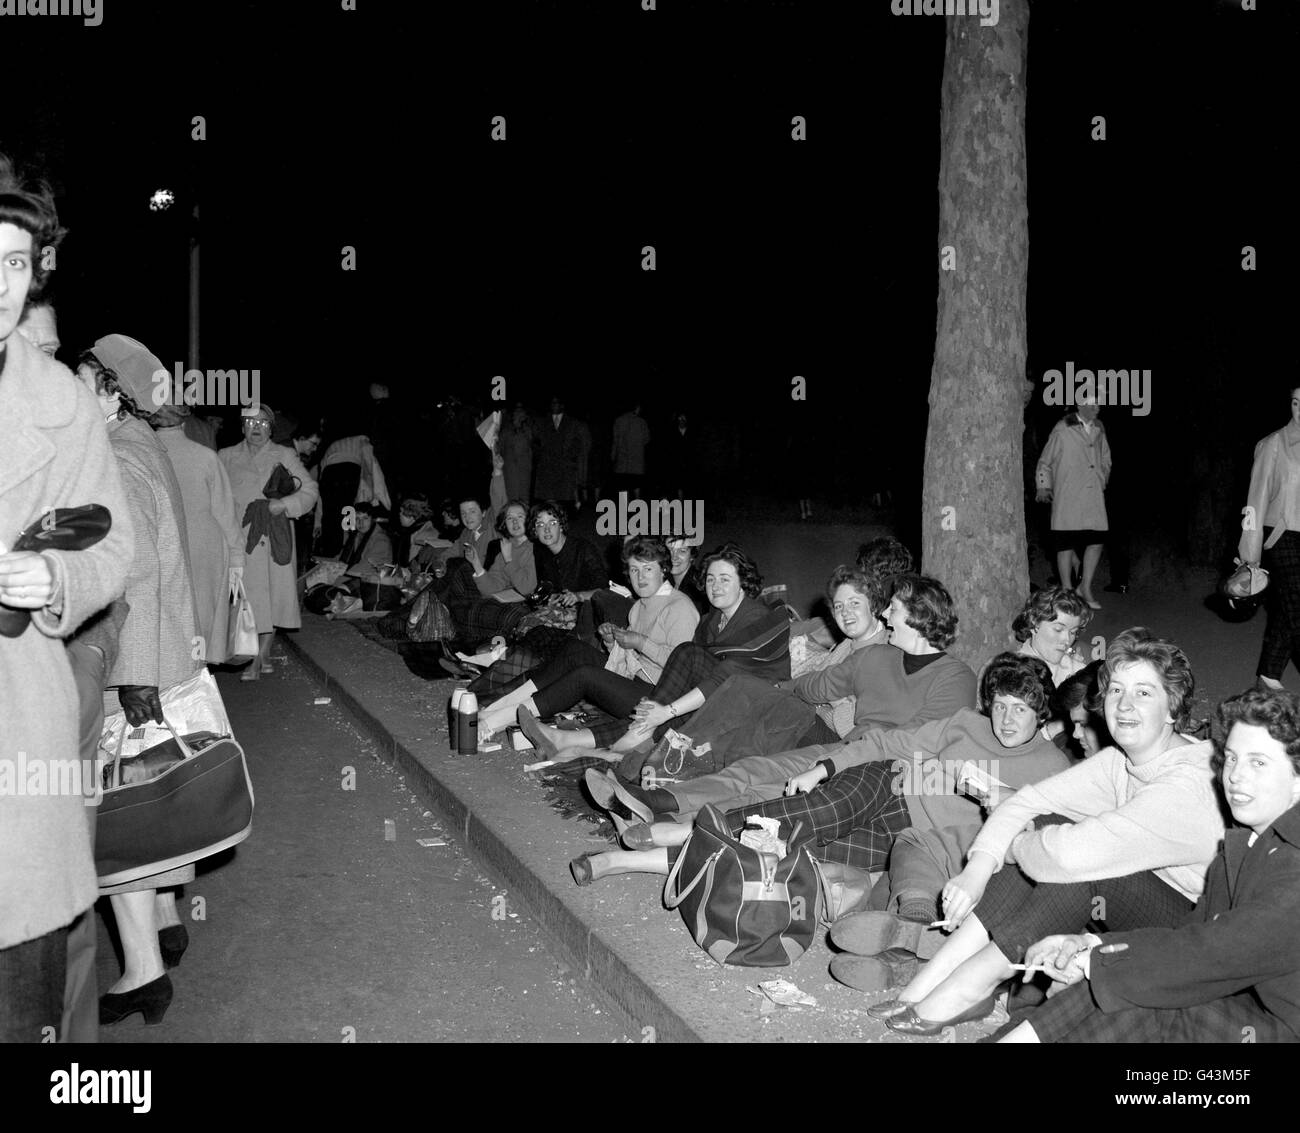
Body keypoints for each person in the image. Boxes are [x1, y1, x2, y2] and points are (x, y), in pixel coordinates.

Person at [873, 629, 1225, 1036]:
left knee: (1078, 861)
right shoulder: (1120, 761)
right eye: (1116, 692)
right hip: (1138, 907)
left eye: (1144, 693)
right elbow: (1024, 801)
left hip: (1196, 934)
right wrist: (979, 868)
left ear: (1172, 707)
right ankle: (930, 983)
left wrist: (1017, 845)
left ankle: (971, 986)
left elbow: (1070, 857)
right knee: (1047, 827)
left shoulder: (1187, 782)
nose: (1125, 705)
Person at [571, 656, 1070, 911]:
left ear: (1041, 713)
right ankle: (672, 829)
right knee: (801, 815)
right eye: (1000, 704)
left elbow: (1040, 840)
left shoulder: (1051, 769)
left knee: (783, 853)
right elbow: (886, 744)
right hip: (887, 784)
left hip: (909, 837)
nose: (1006, 719)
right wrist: (825, 768)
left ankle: (624, 861)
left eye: (1020, 709)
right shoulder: (967, 723)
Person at [0, 169, 134, 1043]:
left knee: (22, 1012)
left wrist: (59, 582)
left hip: (17, 737)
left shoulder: (63, 404)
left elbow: (112, 544)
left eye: (15, 263)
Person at [998, 685, 1300, 1042]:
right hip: (1254, 1011)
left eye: (1259, 762)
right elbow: (1187, 934)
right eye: (1232, 758)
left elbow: (1213, 955)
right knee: (1138, 977)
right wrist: (1091, 948)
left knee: (1157, 990)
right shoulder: (1248, 842)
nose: (1235, 775)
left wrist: (1096, 964)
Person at [589, 573, 977, 822]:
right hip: (840, 748)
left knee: (762, 764)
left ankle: (667, 789)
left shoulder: (955, 677)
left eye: (892, 610)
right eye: (838, 606)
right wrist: (778, 689)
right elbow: (815, 685)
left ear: (918, 616)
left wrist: (841, 753)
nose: (888, 617)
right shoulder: (875, 656)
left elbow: (918, 742)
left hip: (879, 772)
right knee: (752, 754)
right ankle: (661, 801)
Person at [75, 335, 207, 1028]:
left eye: (81, 379)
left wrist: (128, 676)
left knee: (119, 822)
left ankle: (142, 972)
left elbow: (135, 572)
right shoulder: (143, 446)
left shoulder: (118, 458)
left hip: (136, 665)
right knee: (157, 801)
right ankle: (166, 915)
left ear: (112, 391)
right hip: (164, 659)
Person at [515, 543, 789, 757]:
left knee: (685, 657)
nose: (715, 586)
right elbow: (700, 678)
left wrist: (667, 710)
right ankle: (570, 740)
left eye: (725, 579)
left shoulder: (757, 617)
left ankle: (624, 737)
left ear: (743, 581)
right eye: (710, 579)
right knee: (654, 709)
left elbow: (728, 674)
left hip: (753, 706)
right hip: (713, 699)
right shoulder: (711, 621)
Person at [476, 536, 700, 738]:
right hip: (634, 681)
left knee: (585, 675)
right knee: (575, 650)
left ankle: (495, 722)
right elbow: (632, 660)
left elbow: (683, 667)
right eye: (634, 570)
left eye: (648, 569)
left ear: (663, 570)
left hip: (659, 698)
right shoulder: (640, 605)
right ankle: (497, 707)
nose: (640, 577)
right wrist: (614, 643)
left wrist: (640, 642)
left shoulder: (679, 606)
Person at [219, 403, 319, 679]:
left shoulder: (283, 454)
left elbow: (310, 489)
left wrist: (285, 504)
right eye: (251, 422)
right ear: (241, 427)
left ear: (272, 428)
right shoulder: (225, 456)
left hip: (274, 538)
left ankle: (259, 656)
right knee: (247, 599)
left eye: (263, 423)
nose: (257, 428)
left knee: (271, 597)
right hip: (241, 538)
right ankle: (255, 653)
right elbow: (214, 497)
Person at [152, 400, 245, 665]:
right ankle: (196, 676)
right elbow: (226, 514)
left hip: (162, 544)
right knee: (202, 616)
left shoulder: (143, 453)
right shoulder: (205, 457)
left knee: (168, 619)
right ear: (185, 419)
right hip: (205, 547)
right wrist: (237, 558)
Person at [1240, 384, 1300, 692]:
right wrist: (1250, 555)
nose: (1299, 409)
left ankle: (1269, 673)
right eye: (1295, 402)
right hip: (1282, 535)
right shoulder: (1273, 444)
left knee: (1287, 610)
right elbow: (1255, 500)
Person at [1035, 400, 1111, 610]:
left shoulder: (1099, 428)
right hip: (1068, 492)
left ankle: (1084, 587)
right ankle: (1067, 591)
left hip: (1092, 493)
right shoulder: (1063, 428)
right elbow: (1045, 461)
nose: (1097, 408)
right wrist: (1043, 486)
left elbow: (1106, 458)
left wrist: (1101, 478)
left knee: (1096, 540)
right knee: (1065, 543)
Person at [315, 432, 389, 558]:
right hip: (348, 472)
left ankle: (330, 551)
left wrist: (318, 523)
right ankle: (343, 549)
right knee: (347, 510)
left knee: (331, 513)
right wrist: (381, 500)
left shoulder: (334, 445)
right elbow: (373, 469)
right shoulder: (363, 442)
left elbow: (322, 479)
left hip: (329, 475)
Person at [1011, 585, 1089, 687]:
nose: (1067, 640)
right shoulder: (1012, 676)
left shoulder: (1078, 670)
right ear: (1034, 622)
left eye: (1073, 632)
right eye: (1058, 629)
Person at [533, 396, 582, 502]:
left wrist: (569, 457)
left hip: (564, 466)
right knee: (548, 498)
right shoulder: (543, 422)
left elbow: (577, 443)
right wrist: (541, 457)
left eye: (556, 403)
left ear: (562, 405)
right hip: (547, 466)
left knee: (563, 497)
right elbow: (536, 442)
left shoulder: (572, 423)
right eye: (552, 403)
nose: (554, 405)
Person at [611, 401, 651, 500]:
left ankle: (624, 510)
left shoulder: (618, 420)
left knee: (622, 486)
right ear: (636, 408)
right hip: (636, 460)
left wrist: (613, 456)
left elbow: (615, 440)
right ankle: (637, 508)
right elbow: (647, 439)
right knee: (636, 485)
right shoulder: (641, 422)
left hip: (622, 460)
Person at [499, 401, 535, 502]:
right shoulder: (506, 431)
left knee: (524, 498)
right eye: (517, 412)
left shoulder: (528, 430)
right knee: (511, 498)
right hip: (510, 472)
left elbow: (532, 445)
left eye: (521, 412)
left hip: (524, 472)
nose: (519, 414)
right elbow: (498, 450)